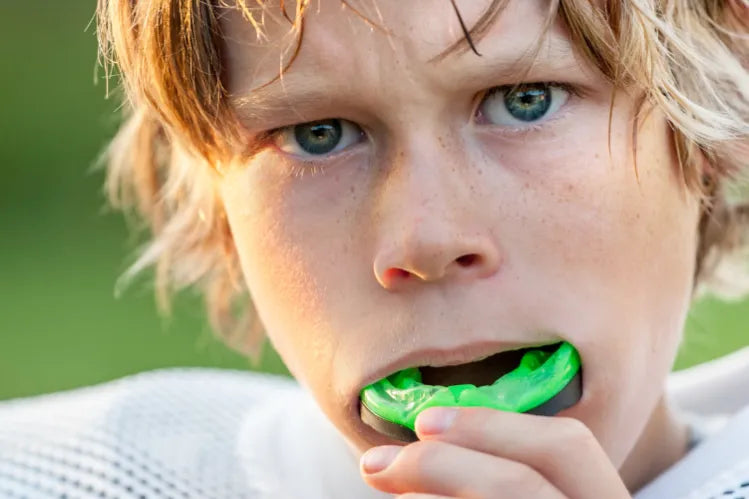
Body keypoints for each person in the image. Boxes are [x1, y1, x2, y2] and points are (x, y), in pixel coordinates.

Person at [2, 0, 749, 497]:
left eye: (524, 100)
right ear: (216, 203)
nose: (425, 239)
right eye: (317, 134)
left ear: (718, 108)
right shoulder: (72, 472)